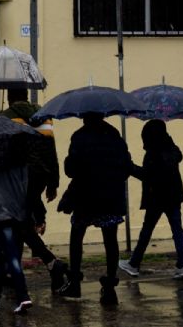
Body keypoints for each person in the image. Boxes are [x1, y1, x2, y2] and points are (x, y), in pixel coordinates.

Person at [57, 112, 133, 305]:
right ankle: (109, 286)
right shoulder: (114, 135)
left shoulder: (79, 136)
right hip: (110, 196)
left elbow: (71, 170)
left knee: (77, 236)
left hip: (85, 196)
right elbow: (125, 166)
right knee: (110, 240)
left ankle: (74, 282)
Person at [0, 88, 67, 292]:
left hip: (18, 177)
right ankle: (14, 271)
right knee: (23, 221)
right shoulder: (43, 115)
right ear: (26, 95)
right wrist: (54, 181)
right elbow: (50, 149)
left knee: (20, 225)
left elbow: (5, 150)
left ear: (10, 98)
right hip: (40, 176)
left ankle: (52, 263)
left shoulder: (6, 117)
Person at [118, 119, 183, 280]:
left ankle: (134, 264)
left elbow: (146, 175)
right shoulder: (171, 149)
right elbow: (177, 155)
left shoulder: (153, 153)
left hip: (156, 197)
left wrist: (129, 167)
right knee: (177, 230)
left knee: (147, 230)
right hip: (173, 196)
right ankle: (182, 266)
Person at [0, 133, 34, 314]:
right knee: (5, 256)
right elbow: (28, 187)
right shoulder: (23, 160)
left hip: (1, 212)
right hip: (19, 213)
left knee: (11, 257)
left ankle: (23, 296)